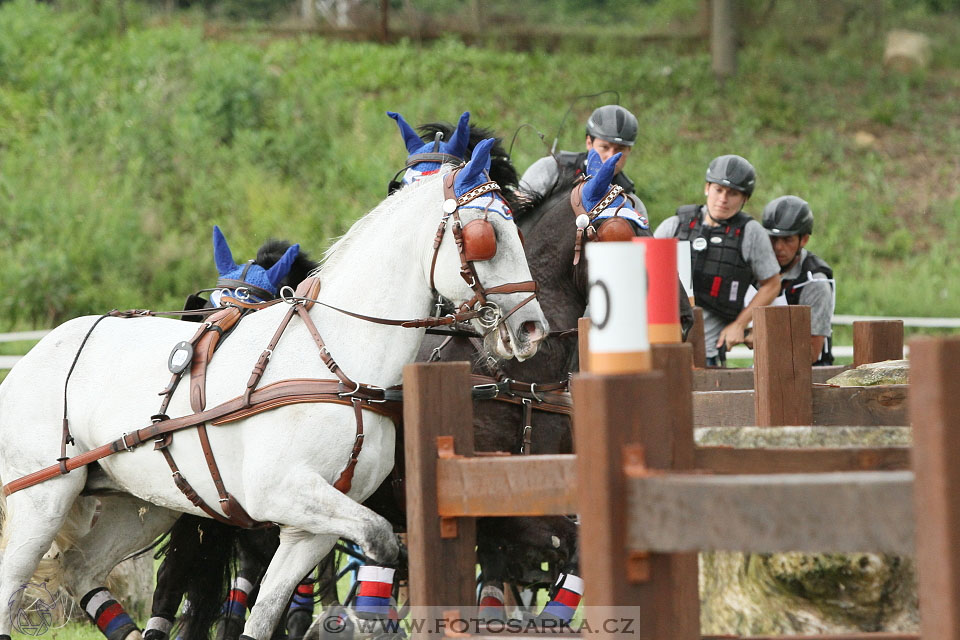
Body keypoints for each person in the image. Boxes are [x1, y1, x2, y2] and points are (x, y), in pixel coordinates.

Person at [654, 154, 780, 366]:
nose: (723, 198)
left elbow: (772, 284)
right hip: (662, 344)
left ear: (745, 199)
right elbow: (643, 271)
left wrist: (740, 324)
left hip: (708, 352)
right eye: (718, 190)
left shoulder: (751, 233)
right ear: (707, 188)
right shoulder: (675, 225)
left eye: (732, 193)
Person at [520, 104, 644, 210]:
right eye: (605, 147)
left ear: (629, 150)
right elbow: (517, 213)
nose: (611, 156)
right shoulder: (551, 169)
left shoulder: (632, 202)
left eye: (619, 150)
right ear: (589, 143)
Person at [759, 195, 835, 365]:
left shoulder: (815, 283)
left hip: (812, 373)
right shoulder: (759, 269)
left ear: (804, 239)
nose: (778, 247)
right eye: (773, 239)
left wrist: (761, 339)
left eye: (787, 240)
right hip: (772, 366)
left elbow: (811, 352)